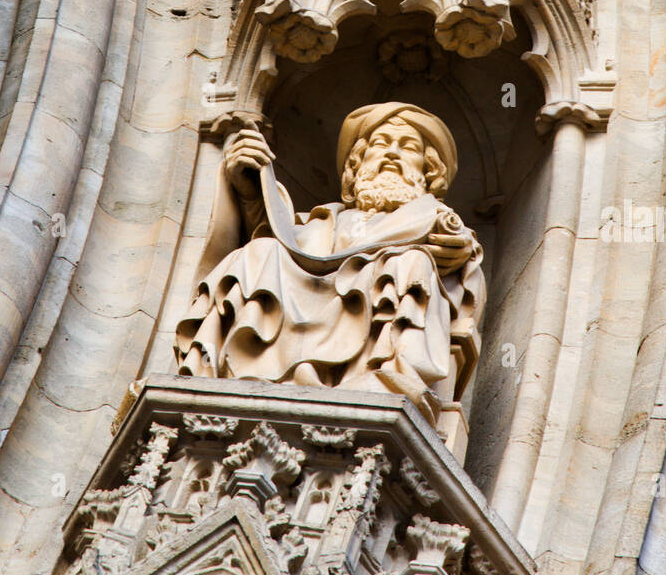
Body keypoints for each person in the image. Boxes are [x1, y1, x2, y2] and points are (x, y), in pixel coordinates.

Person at [175, 103, 485, 426]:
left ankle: (387, 378)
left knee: (414, 262)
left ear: (428, 169)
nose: (392, 153)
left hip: (371, 298)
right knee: (260, 251)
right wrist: (251, 190)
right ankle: (235, 370)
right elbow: (286, 244)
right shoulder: (325, 218)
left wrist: (458, 254)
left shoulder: (434, 221)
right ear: (359, 163)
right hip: (311, 290)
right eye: (380, 144)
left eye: (407, 147)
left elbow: (467, 276)